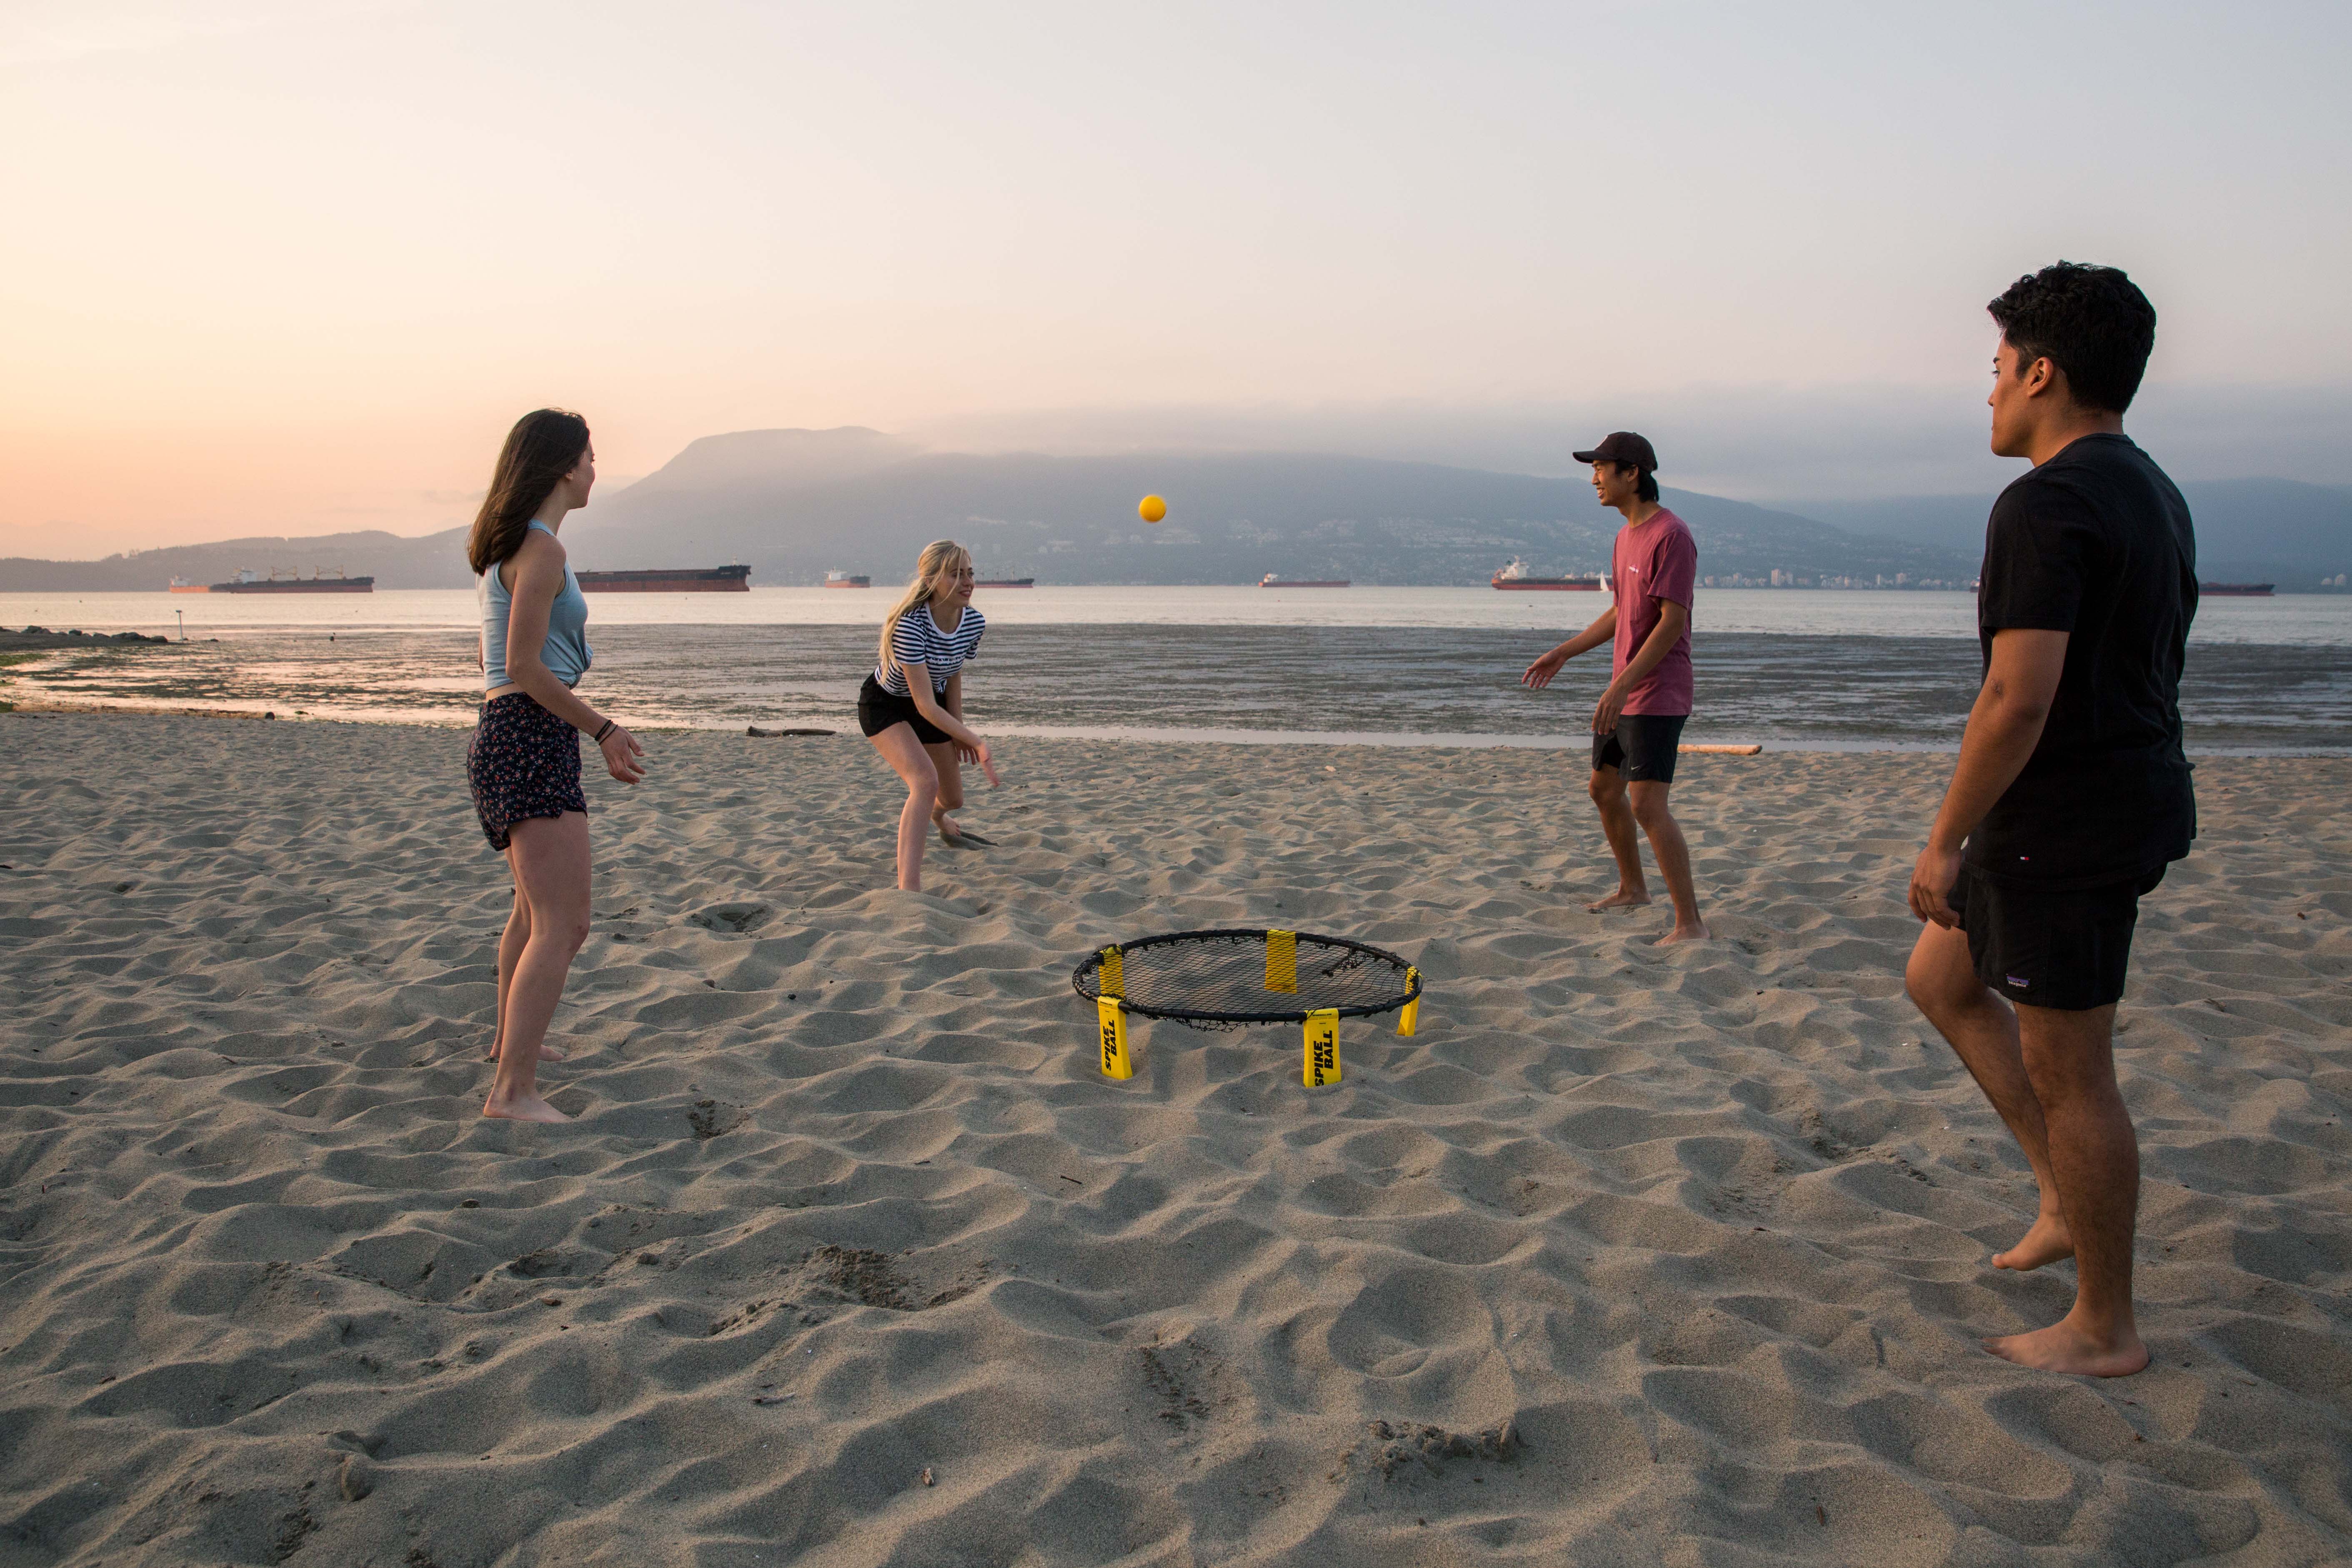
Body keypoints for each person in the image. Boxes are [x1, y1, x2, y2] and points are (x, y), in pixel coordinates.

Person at [1904, 262, 2195, 1377]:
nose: (1987, 397)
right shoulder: (2150, 490)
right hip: (2112, 798)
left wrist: (1942, 838)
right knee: (1939, 978)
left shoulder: (2045, 501)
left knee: (2076, 1071)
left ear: (2040, 371)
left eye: (1994, 372)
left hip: (2064, 823)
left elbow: (2014, 695)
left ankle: (2103, 1326)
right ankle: (2059, 1195)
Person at [465, 409, 646, 1123]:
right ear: (564, 467)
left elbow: (498, 665)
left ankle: (511, 1046)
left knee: (531, 912)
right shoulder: (540, 553)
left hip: (507, 732)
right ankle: (512, 1092)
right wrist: (602, 728)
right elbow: (521, 666)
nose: (596, 469)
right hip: (530, 733)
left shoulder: (506, 550)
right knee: (564, 924)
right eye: (590, 458)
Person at [1522, 432, 1709, 944]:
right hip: (1625, 689)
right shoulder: (1625, 537)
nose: (1594, 478)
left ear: (1632, 474)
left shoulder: (1672, 535)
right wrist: (1565, 650)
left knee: (1649, 805)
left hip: (1657, 693)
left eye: (1601, 468)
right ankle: (1632, 888)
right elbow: (1621, 610)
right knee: (1603, 790)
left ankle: (1690, 925)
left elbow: (1673, 621)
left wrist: (1623, 684)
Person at [858, 539, 1000, 890]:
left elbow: (953, 673)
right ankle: (909, 889)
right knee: (924, 781)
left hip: (933, 705)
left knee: (953, 799)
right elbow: (922, 705)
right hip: (886, 704)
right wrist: (975, 741)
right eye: (956, 574)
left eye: (970, 573)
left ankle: (939, 817)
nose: (968, 582)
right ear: (932, 579)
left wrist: (958, 728)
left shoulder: (974, 622)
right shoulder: (910, 624)